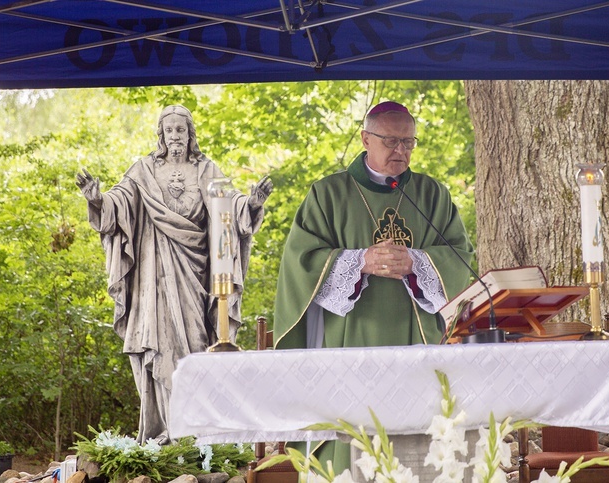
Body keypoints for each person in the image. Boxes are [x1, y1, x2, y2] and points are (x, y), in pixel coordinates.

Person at [273, 101, 473, 472]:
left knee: (419, 451)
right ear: (366, 139)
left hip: (418, 340)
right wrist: (360, 262)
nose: (402, 151)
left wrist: (417, 262)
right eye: (392, 141)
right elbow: (300, 262)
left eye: (409, 142)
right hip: (350, 340)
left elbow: (460, 256)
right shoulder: (328, 193)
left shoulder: (432, 194)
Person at [76, 104, 272, 444]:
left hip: (195, 278)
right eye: (170, 130)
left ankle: (195, 434)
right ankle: (163, 432)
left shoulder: (207, 170)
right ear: (162, 135)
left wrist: (252, 204)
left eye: (182, 129)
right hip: (153, 278)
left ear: (190, 134)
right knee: (157, 346)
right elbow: (118, 203)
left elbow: (229, 207)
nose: (176, 135)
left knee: (197, 345)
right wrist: (98, 200)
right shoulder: (143, 171)